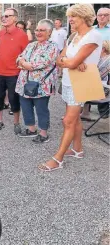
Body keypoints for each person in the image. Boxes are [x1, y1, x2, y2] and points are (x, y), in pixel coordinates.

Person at [39, 4, 102, 172]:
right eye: (69, 16)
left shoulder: (93, 35)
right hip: (68, 81)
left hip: (81, 83)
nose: (70, 19)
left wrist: (71, 62)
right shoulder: (74, 36)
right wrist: (70, 63)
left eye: (74, 16)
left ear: (84, 16)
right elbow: (59, 59)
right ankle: (77, 149)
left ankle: (57, 159)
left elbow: (69, 61)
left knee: (68, 120)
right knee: (75, 119)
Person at [15, 19, 58, 143]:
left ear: (49, 32)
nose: (38, 32)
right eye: (37, 30)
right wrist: (23, 62)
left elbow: (40, 63)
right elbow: (19, 58)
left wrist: (24, 63)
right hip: (24, 82)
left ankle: (43, 134)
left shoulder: (52, 46)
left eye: (42, 30)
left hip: (41, 85)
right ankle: (31, 129)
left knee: (41, 108)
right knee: (26, 105)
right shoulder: (31, 45)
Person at [0, 8, 29, 134]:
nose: (4, 18)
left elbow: (26, 55)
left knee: (14, 99)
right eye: (3, 16)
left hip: (14, 74)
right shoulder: (1, 33)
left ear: (14, 19)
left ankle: (16, 123)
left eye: (7, 16)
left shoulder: (22, 35)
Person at [80, 40, 110, 120]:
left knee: (77, 88)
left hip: (104, 90)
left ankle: (75, 112)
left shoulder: (108, 60)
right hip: (98, 86)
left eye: (96, 48)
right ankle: (84, 112)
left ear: (103, 49)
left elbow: (99, 76)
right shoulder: (100, 58)